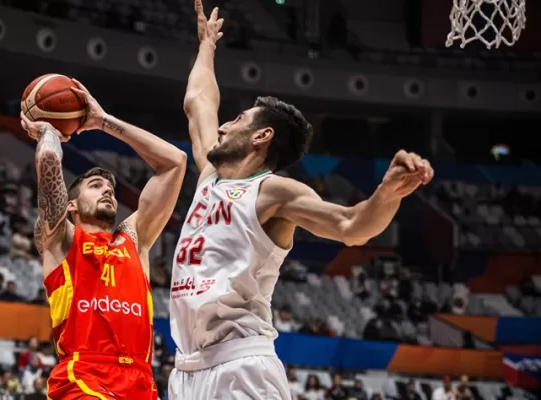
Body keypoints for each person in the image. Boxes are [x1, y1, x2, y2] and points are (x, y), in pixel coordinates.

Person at [167, 2, 435, 399]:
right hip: (187, 369)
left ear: (262, 137)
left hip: (240, 364)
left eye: (237, 120)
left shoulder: (275, 191)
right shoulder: (211, 173)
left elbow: (351, 227)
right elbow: (198, 102)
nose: (223, 125)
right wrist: (207, 46)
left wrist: (387, 192)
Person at [22, 78, 186, 400]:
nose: (107, 189)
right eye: (95, 185)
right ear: (71, 204)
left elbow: (174, 163)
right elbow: (49, 162)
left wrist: (103, 122)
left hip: (140, 379)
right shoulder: (62, 239)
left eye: (109, 187)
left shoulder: (133, 241)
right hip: (84, 377)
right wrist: (50, 132)